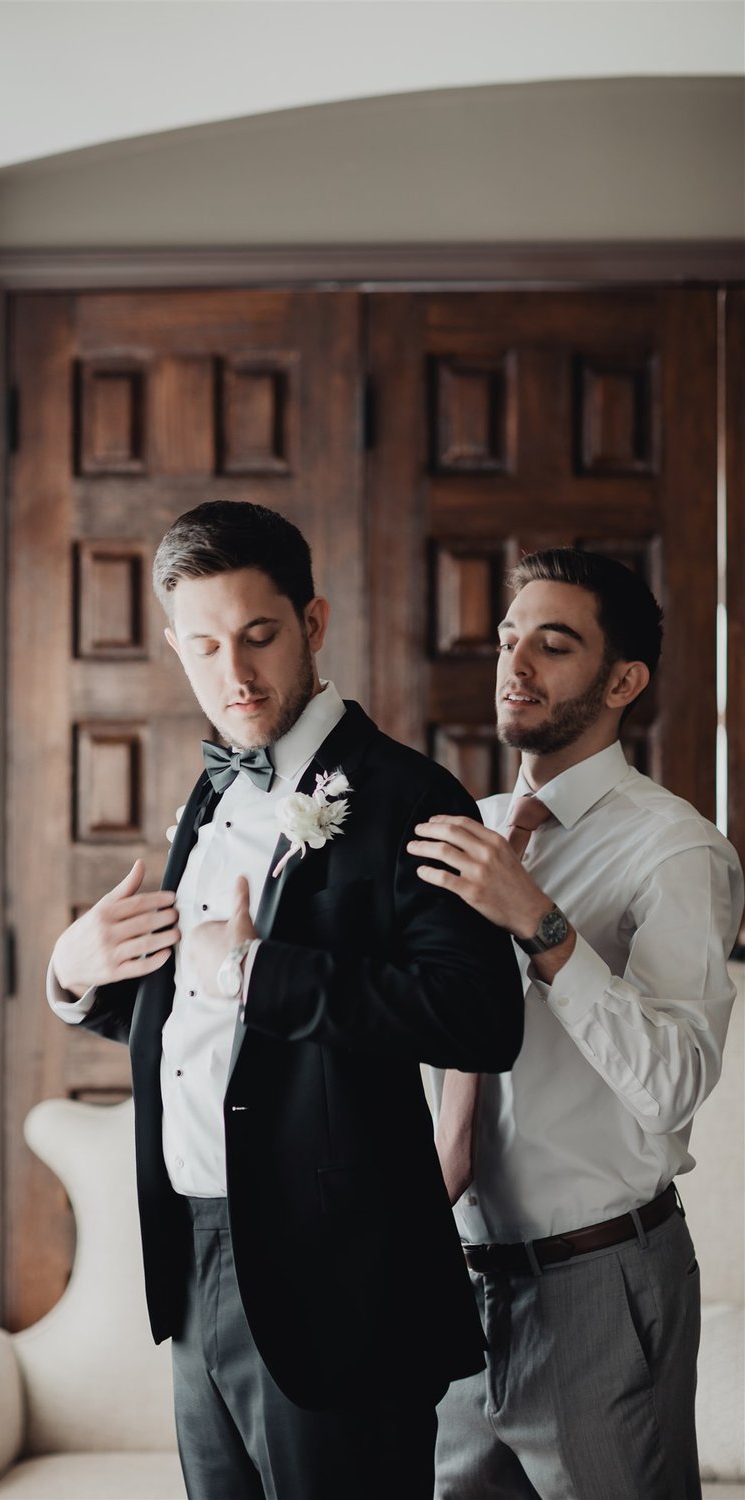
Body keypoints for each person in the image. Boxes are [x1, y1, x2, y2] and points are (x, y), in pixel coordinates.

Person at [48, 500, 524, 1500]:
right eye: (208, 645)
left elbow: (479, 1016)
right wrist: (76, 974)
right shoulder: (210, 797)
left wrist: (264, 974)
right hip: (193, 1255)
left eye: (259, 636)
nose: (236, 673)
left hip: (338, 1273)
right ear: (176, 646)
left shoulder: (408, 795)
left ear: (312, 623)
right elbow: (193, 1018)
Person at [407, 547, 744, 1500]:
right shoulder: (460, 832)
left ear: (622, 680)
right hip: (456, 1285)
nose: (515, 663)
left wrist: (542, 925)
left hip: (600, 1282)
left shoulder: (675, 849)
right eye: (512, 638)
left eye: (553, 646)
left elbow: (676, 1082)